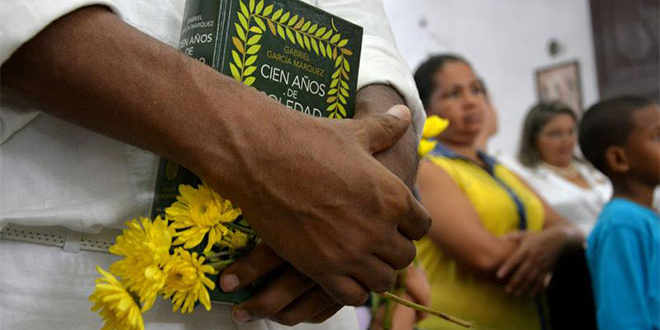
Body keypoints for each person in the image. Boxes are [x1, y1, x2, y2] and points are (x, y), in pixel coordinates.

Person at [0, 1, 430, 329]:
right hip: (63, 285)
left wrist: (380, 157)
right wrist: (265, 153)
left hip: (303, 292)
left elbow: (366, 35)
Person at [412, 54, 584, 329]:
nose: (471, 101)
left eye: (476, 89)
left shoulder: (502, 171)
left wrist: (558, 239)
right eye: (453, 94)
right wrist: (553, 250)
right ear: (426, 109)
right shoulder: (427, 169)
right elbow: (485, 257)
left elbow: (568, 229)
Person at [579, 96, 660, 330]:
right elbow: (622, 320)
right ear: (619, 159)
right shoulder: (622, 225)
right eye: (657, 136)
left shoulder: (645, 216)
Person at [505, 102, 612, 236]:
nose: (566, 140)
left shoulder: (591, 169)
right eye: (555, 134)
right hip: (571, 250)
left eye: (571, 131)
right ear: (533, 139)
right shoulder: (525, 176)